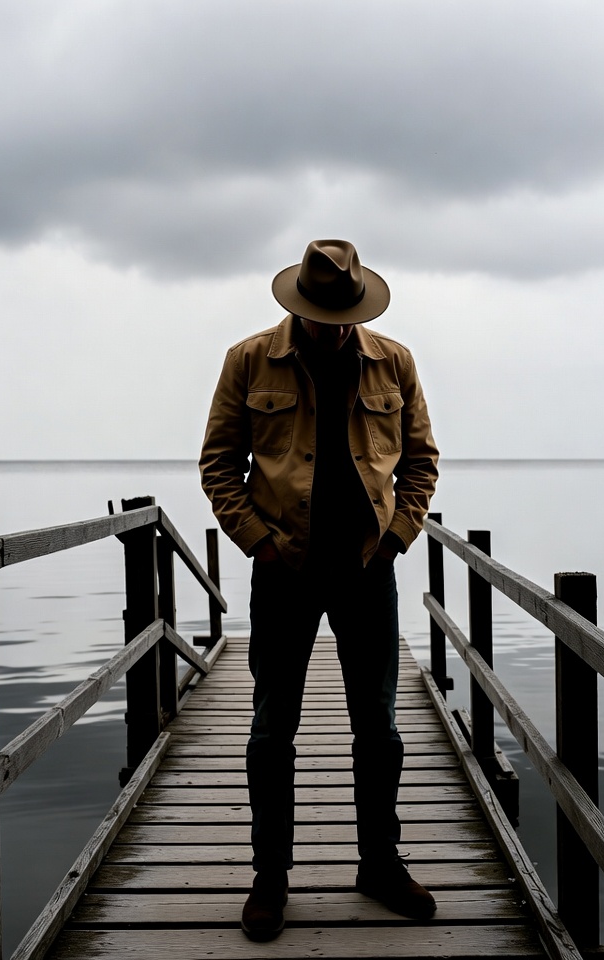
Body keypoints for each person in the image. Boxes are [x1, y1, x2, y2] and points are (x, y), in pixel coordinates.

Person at [199, 239, 439, 941]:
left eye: (344, 316)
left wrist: (396, 536)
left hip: (369, 565)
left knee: (381, 727)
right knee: (273, 729)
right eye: (321, 315)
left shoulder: (393, 361)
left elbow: (421, 461)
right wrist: (260, 544)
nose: (334, 328)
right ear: (297, 305)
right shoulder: (248, 360)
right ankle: (269, 878)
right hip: (284, 570)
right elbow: (218, 463)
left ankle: (380, 865)